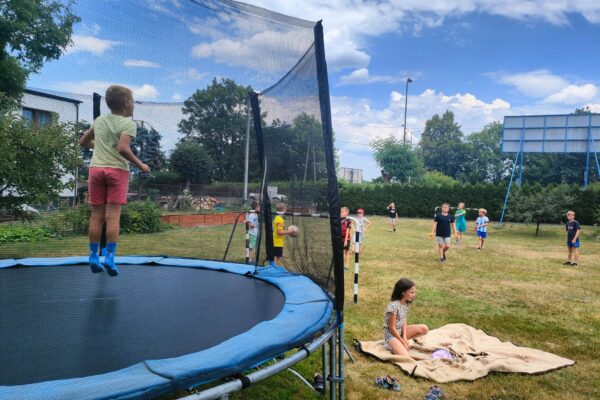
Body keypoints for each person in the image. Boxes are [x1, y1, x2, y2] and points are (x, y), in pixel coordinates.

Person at [79, 85, 150, 276]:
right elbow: (122, 148)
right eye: (133, 102)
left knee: (96, 217)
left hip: (96, 170)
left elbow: (83, 142)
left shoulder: (100, 120)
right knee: (112, 217)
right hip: (117, 171)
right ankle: (109, 258)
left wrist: (100, 146)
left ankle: (93, 257)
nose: (134, 105)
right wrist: (140, 164)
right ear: (126, 103)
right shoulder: (128, 124)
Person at [383, 278, 429, 356]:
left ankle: (398, 344)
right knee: (405, 355)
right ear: (403, 292)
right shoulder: (393, 306)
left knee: (424, 329)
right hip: (391, 335)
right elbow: (392, 328)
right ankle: (390, 345)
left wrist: (404, 337)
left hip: (399, 332)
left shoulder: (405, 304)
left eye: (414, 292)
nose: (414, 294)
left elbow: (403, 321)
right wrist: (402, 341)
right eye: (411, 292)